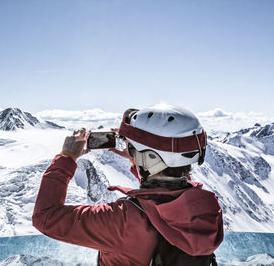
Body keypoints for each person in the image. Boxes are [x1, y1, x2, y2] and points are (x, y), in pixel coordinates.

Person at [32, 104, 223, 266]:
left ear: (150, 158)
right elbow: (164, 200)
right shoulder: (206, 208)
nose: (130, 151)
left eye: (133, 148)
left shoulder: (120, 220)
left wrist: (67, 158)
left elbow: (45, 217)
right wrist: (137, 161)